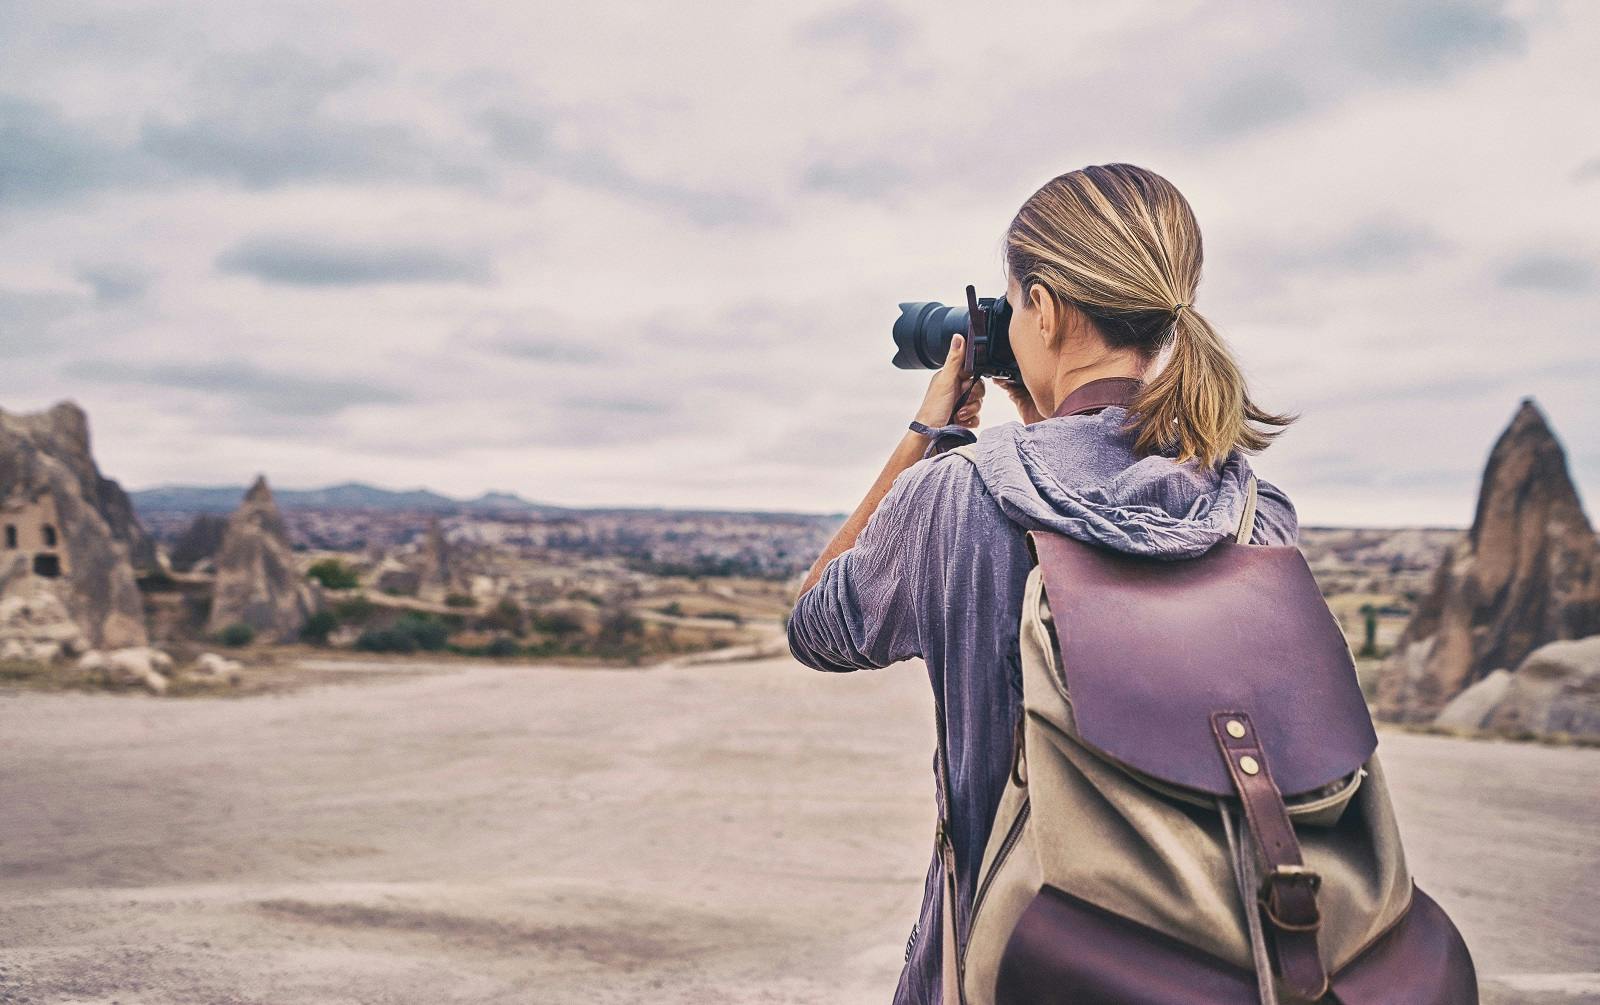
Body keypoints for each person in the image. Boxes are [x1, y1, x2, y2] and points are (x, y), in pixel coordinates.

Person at [786, 162, 1300, 1005]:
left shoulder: (958, 496)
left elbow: (817, 626)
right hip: (1219, 961)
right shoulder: (1252, 507)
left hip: (1008, 963)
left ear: (1046, 308)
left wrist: (928, 431)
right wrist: (1045, 416)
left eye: (1015, 299)